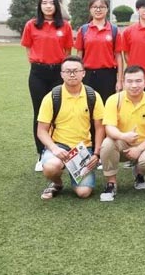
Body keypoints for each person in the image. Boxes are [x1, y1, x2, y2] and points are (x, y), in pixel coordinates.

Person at [36, 56, 104, 200]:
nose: (72, 74)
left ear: (83, 73)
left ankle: (76, 176)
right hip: (59, 146)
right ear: (61, 74)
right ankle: (57, 183)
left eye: (76, 71)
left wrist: (96, 154)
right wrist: (54, 149)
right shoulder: (52, 97)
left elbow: (99, 128)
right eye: (67, 71)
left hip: (83, 149)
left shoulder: (93, 96)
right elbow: (41, 131)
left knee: (83, 193)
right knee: (51, 167)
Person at [21, 0, 74, 171]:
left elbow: (68, 51)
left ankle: (59, 151)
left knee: (58, 113)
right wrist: (36, 63)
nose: (48, 6)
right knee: (40, 113)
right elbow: (28, 48)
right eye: (44, 3)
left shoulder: (65, 26)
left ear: (56, 6)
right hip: (38, 74)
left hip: (58, 73)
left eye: (51, 3)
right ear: (40, 6)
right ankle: (41, 153)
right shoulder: (31, 25)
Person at [99, 65, 145, 202]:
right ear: (123, 82)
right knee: (107, 144)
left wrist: (139, 149)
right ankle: (111, 183)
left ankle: (139, 173)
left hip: (144, 144)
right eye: (129, 81)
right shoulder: (114, 100)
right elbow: (109, 127)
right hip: (120, 142)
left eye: (138, 81)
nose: (134, 85)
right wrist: (123, 136)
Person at [74, 0, 123, 103]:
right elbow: (79, 55)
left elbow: (119, 56)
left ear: (107, 9)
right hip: (87, 75)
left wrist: (120, 80)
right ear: (90, 9)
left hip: (108, 75)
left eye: (101, 7)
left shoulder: (114, 30)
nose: (98, 10)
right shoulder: (83, 30)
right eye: (94, 7)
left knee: (107, 106)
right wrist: (78, 75)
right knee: (87, 106)